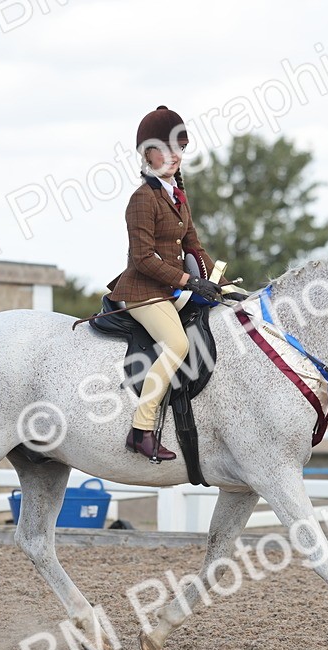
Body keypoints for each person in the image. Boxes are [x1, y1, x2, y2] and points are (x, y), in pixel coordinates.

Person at [106, 105, 223, 461]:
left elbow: (194, 246)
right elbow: (143, 259)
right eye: (166, 147)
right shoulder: (142, 199)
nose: (175, 155)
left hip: (172, 290)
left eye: (180, 148)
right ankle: (141, 429)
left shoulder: (177, 197)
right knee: (176, 344)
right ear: (147, 154)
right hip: (143, 293)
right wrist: (189, 281)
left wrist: (220, 283)